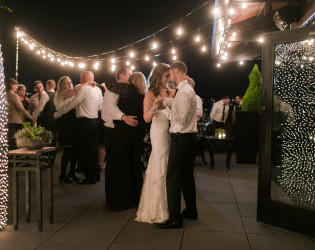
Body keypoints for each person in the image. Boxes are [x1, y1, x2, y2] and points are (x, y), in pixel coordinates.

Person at [155, 61, 198, 229]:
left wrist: (162, 109)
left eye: (171, 74)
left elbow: (180, 119)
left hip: (182, 140)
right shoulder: (185, 90)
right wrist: (166, 102)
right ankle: (191, 210)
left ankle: (174, 218)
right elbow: (180, 107)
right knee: (187, 177)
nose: (170, 77)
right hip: (188, 139)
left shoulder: (185, 92)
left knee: (172, 178)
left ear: (177, 72)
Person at [136, 63, 175, 223]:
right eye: (166, 76)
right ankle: (157, 207)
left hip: (171, 130)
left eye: (170, 76)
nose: (169, 79)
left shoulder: (170, 91)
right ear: (158, 76)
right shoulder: (150, 93)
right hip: (159, 131)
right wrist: (153, 107)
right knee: (159, 165)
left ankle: (171, 205)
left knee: (169, 166)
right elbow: (145, 118)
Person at [105, 72, 146, 211]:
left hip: (123, 132)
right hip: (137, 134)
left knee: (121, 165)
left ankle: (122, 200)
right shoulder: (144, 95)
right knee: (135, 165)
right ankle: (135, 198)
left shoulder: (125, 89)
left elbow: (109, 84)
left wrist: (123, 117)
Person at [55, 71, 102, 184]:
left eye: (80, 77)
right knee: (92, 150)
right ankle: (94, 175)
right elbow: (100, 106)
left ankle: (89, 177)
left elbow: (74, 103)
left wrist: (59, 113)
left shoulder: (84, 89)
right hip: (93, 122)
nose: (78, 80)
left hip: (84, 123)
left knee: (86, 152)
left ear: (85, 78)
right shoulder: (96, 90)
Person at [101, 67, 137, 200]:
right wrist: (124, 117)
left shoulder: (122, 88)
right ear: (121, 75)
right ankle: (113, 196)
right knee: (113, 166)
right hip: (112, 130)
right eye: (129, 74)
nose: (131, 76)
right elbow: (110, 107)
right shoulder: (113, 88)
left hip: (118, 130)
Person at [54, 76, 84, 183]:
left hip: (73, 121)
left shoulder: (71, 93)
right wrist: (87, 83)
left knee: (74, 149)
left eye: (70, 82)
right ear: (62, 85)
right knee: (68, 150)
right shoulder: (62, 94)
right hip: (65, 122)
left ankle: (71, 172)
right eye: (67, 83)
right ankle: (62, 174)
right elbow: (75, 91)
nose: (70, 84)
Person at [6, 78, 36, 150]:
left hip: (7, 121)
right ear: (12, 85)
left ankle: (9, 158)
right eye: (16, 85)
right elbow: (21, 109)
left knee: (10, 141)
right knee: (17, 142)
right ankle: (15, 158)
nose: (17, 87)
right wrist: (31, 118)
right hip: (16, 121)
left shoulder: (3, 94)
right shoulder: (14, 95)